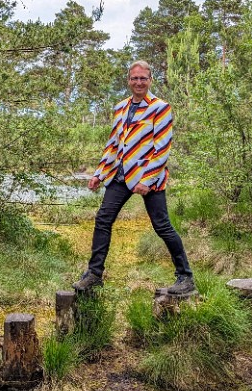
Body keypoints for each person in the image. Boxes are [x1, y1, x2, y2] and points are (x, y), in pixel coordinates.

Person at [73, 60, 195, 295]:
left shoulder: (160, 108)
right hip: (120, 175)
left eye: (143, 78)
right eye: (134, 78)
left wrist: (146, 180)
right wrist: (99, 174)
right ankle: (94, 274)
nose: (138, 82)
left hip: (150, 178)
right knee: (103, 220)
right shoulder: (121, 107)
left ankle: (185, 277)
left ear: (150, 80)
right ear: (128, 80)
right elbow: (114, 144)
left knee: (162, 226)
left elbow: (162, 149)